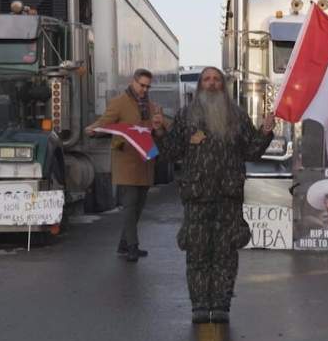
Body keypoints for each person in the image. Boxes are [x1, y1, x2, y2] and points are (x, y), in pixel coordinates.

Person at [153, 66, 275, 325]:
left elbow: (252, 152)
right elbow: (171, 153)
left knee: (225, 254)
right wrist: (160, 132)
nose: (211, 83)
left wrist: (265, 132)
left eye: (216, 79)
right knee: (197, 253)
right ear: (199, 86)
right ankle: (199, 305)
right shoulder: (186, 116)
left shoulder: (237, 117)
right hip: (196, 196)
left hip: (228, 196)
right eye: (206, 79)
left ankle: (221, 304)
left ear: (223, 85)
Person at [86, 68, 159, 262]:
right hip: (126, 160)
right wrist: (94, 128)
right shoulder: (119, 103)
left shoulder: (151, 107)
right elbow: (105, 122)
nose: (144, 89)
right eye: (142, 85)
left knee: (139, 206)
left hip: (145, 161)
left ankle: (123, 244)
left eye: (147, 86)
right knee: (130, 205)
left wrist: (159, 128)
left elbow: (158, 131)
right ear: (133, 82)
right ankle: (133, 247)